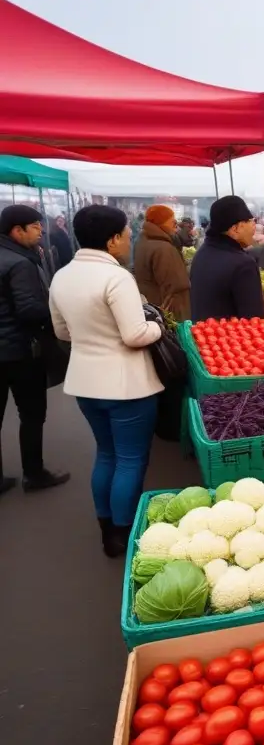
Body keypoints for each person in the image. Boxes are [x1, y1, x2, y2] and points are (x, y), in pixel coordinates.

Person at [48, 205, 164, 555]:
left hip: (85, 383)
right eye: (128, 235)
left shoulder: (62, 276)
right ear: (113, 239)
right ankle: (124, 532)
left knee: (107, 454)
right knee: (131, 459)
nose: (129, 242)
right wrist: (158, 327)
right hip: (127, 385)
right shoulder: (116, 278)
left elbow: (61, 331)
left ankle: (107, 530)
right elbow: (135, 334)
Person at [0, 205, 70, 495]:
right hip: (18, 350)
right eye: (36, 226)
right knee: (31, 413)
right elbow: (29, 309)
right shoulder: (20, 263)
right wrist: (57, 313)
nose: (42, 230)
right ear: (17, 231)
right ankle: (34, 473)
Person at [189, 196, 264, 321]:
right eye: (251, 221)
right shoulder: (243, 264)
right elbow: (254, 322)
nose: (254, 227)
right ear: (235, 229)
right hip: (232, 338)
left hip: (204, 335)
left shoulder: (202, 252)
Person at [133, 205, 191, 322]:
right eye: (172, 223)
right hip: (168, 311)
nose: (176, 228)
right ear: (161, 223)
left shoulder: (142, 241)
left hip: (151, 306)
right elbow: (175, 286)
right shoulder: (163, 248)